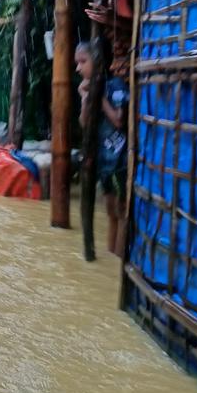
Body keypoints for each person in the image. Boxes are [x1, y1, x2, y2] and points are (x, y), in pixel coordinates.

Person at [75, 41, 129, 255]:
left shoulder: (115, 86)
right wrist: (85, 98)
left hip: (119, 161)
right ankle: (110, 258)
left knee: (122, 212)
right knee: (111, 214)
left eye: (82, 62)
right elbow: (84, 123)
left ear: (96, 62)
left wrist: (99, 97)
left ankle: (118, 257)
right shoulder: (88, 90)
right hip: (103, 163)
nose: (78, 68)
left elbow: (118, 121)